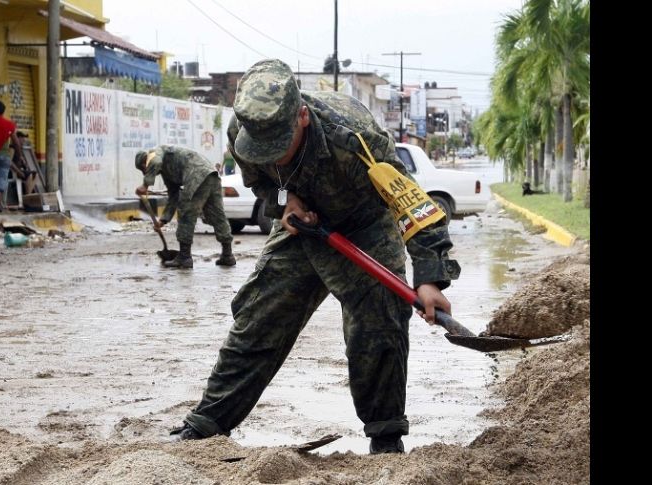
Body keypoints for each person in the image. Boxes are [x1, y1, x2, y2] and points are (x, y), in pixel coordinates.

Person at [171, 59, 461, 454]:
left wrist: (430, 278)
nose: (271, 155)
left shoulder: (357, 141)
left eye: (279, 145)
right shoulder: (244, 131)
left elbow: (414, 209)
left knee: (380, 323)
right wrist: (285, 201)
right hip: (303, 224)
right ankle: (206, 425)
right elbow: (261, 183)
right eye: (263, 148)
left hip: (365, 223)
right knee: (258, 317)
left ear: (303, 117)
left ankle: (386, 437)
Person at [135, 145, 236, 268]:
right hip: (211, 175)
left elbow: (155, 161)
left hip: (197, 174)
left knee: (186, 213)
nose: (145, 172)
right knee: (217, 216)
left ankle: (184, 257)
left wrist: (145, 185)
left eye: (143, 169)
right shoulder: (166, 171)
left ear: (145, 162)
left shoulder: (154, 153)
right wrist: (163, 220)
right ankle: (227, 255)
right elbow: (173, 196)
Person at [0, 100, 22, 212]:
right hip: (4, 156)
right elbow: (16, 143)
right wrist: (18, 157)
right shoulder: (9, 124)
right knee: (2, 176)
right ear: (3, 111)